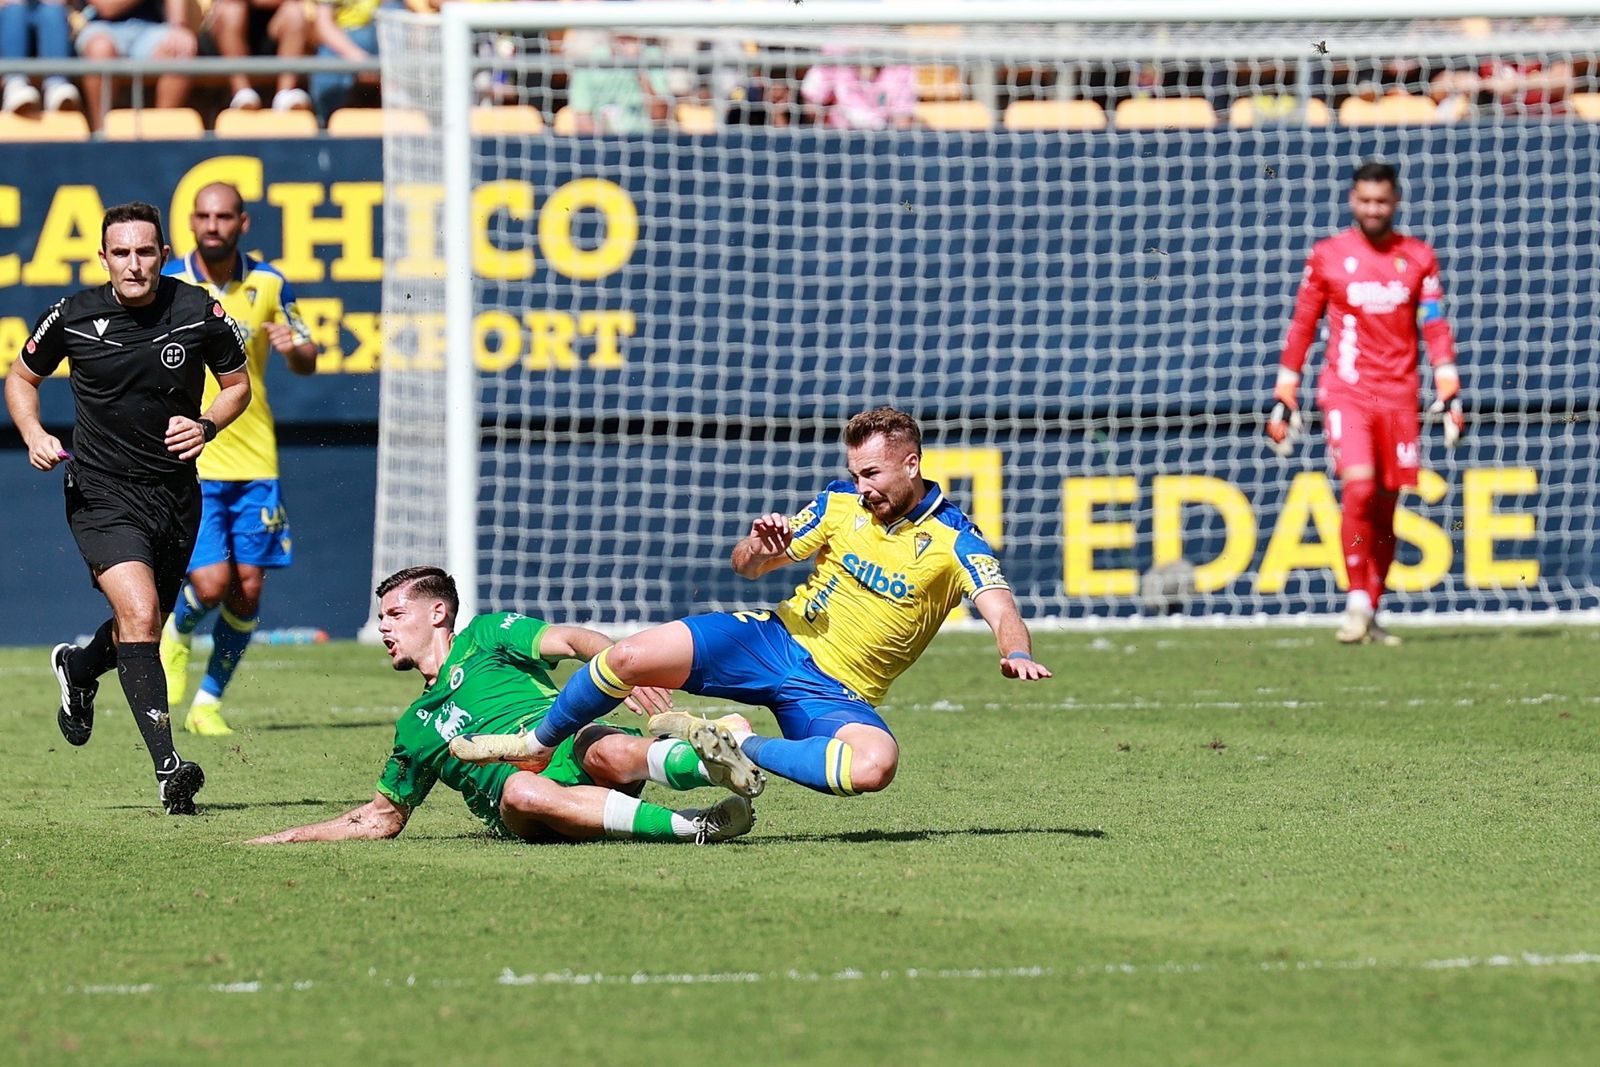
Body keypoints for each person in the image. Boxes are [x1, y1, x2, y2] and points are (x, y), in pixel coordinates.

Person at [451, 407, 1053, 799]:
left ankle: (734, 744)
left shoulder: (955, 539)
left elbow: (1001, 607)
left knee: (874, 767)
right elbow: (748, 567)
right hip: (773, 639)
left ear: (912, 463)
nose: (863, 486)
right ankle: (536, 746)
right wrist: (762, 548)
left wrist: (1016, 650)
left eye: (872, 474)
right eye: (856, 473)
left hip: (837, 691)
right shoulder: (839, 503)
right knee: (628, 656)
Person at [4, 201, 250, 815]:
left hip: (175, 496)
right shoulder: (73, 315)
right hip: (101, 494)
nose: (133, 264)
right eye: (122, 253)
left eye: (145, 251)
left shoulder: (198, 311)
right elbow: (21, 377)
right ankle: (170, 770)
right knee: (140, 615)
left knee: (141, 628)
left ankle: (80, 669)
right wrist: (33, 433)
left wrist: (207, 424)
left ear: (163, 254)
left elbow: (238, 384)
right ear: (104, 258)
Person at [248, 566, 755, 845]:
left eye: (395, 614)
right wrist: (291, 835)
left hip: (571, 751)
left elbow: (573, 639)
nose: (383, 627)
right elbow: (382, 818)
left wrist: (624, 666)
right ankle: (696, 825)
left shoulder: (488, 636)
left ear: (438, 612)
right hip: (528, 809)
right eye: (381, 617)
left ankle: (722, 761)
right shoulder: (414, 728)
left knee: (597, 741)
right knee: (520, 788)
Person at [1266, 161, 1466, 646]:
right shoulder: (1329, 255)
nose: (1372, 208)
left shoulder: (1418, 257)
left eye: (1381, 201)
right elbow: (1304, 322)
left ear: (1395, 202)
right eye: (1364, 200)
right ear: (1352, 201)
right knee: (1359, 489)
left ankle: (1371, 607)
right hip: (1346, 391)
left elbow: (1434, 323)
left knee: (1386, 504)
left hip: (1399, 396)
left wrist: (1448, 381)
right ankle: (1356, 603)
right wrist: (1285, 387)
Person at [158, 182, 318, 737]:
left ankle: (207, 702)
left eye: (223, 216)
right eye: (203, 215)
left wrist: (295, 346)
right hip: (191, 455)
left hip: (255, 459)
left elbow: (306, 357)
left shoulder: (269, 283)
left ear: (242, 223)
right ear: (191, 222)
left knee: (248, 587)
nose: (212, 225)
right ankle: (175, 634)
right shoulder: (171, 283)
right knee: (209, 583)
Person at [75, 0, 198, 131]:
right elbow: (107, 8)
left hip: (151, 28)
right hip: (100, 27)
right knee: (100, 49)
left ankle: (160, 135)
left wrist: (178, 26)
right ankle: (103, 134)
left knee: (181, 47)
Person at [207, 0, 314, 112]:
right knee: (230, 11)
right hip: (230, 32)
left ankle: (284, 95)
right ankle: (242, 94)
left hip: (274, 27)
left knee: (294, 13)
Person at [0, 0, 82, 115]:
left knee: (52, 11)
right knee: (14, 12)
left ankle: (57, 86)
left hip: (50, 14)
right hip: (8, 16)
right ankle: (14, 85)